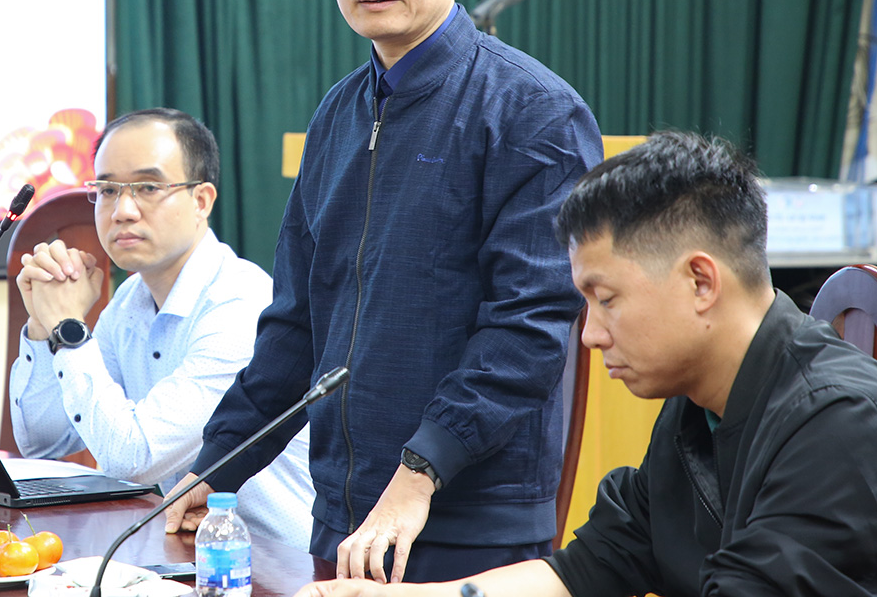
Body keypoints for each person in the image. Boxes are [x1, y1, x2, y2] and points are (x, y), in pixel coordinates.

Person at [163, 0, 602, 582]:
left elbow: (528, 328)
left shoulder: (534, 114)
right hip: (341, 510)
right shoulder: (337, 115)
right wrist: (219, 463)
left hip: (465, 517)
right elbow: (297, 323)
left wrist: (420, 471)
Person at [292, 129, 877, 596]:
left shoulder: (838, 419)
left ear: (701, 281)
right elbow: (588, 569)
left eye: (607, 299)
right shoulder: (697, 406)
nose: (590, 336)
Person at [7, 107, 313, 543]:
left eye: (148, 188)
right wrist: (43, 324)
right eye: (108, 190)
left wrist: (69, 331)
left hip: (280, 563)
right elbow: (44, 439)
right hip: (188, 551)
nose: (122, 210)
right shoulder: (130, 300)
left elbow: (135, 458)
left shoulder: (239, 305)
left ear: (201, 200)